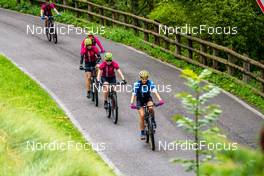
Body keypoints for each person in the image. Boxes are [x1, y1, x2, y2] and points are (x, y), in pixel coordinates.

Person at [130, 70, 164, 140]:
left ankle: (153, 121)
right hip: (140, 100)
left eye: (146, 78)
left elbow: (155, 91)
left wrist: (160, 100)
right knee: (142, 115)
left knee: (151, 108)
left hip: (148, 98)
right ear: (140, 78)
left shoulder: (150, 83)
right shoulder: (137, 84)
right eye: (143, 78)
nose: (144, 79)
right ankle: (142, 132)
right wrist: (132, 103)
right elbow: (133, 94)